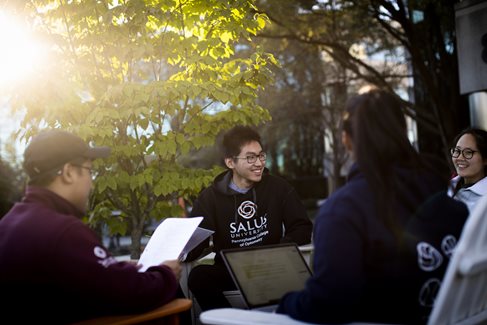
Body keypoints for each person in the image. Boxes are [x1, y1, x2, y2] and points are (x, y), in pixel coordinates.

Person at [276, 89, 468, 324]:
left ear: (346, 139)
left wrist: (285, 303)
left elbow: (329, 303)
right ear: (401, 129)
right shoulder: (439, 190)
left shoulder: (344, 210)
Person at [0, 130, 182, 324]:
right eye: (89, 171)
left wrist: (112, 268)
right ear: (69, 172)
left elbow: (81, 280)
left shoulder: (9, 222)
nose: (92, 184)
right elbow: (125, 292)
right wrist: (167, 275)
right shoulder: (64, 231)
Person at [186, 125, 313, 311]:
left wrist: (275, 252)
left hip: (270, 267)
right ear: (230, 162)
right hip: (231, 271)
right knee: (198, 276)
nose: (259, 163)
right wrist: (178, 248)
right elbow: (197, 242)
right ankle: (229, 323)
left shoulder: (279, 188)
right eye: (250, 158)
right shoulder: (210, 198)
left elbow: (301, 227)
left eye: (261, 155)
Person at [448, 127, 487, 213]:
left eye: (468, 152)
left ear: (485, 159)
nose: (460, 157)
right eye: (457, 151)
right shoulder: (449, 186)